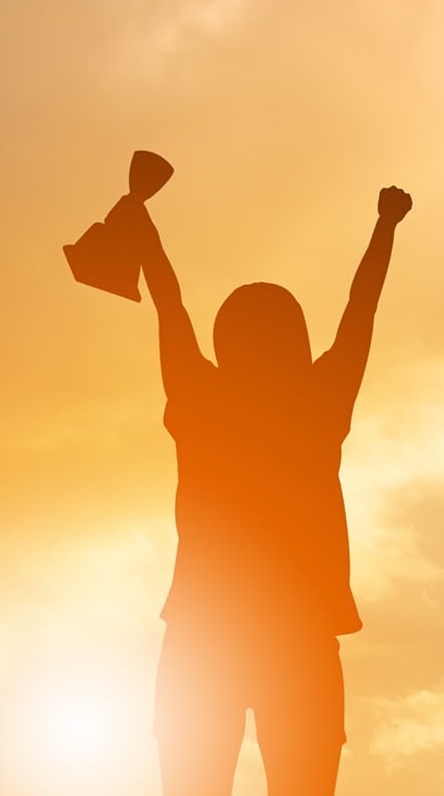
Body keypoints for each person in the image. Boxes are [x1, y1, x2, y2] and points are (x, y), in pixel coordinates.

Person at [112, 184, 412, 796]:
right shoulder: (317, 402)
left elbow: (169, 305)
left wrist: (145, 233)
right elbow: (361, 313)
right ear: (296, 341)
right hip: (287, 634)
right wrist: (385, 228)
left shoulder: (203, 399)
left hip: (208, 631)